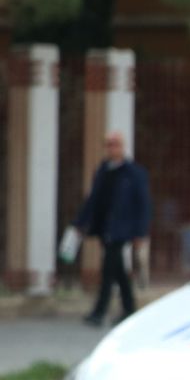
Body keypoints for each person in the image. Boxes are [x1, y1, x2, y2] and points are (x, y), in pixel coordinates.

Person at [74, 130, 151, 326]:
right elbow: (93, 200)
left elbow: (143, 204)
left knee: (108, 270)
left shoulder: (134, 173)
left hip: (122, 229)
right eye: (108, 144)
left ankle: (99, 312)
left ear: (122, 147)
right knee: (118, 270)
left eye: (115, 144)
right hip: (104, 228)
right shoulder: (103, 171)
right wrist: (81, 223)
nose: (111, 148)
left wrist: (140, 232)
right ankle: (129, 308)